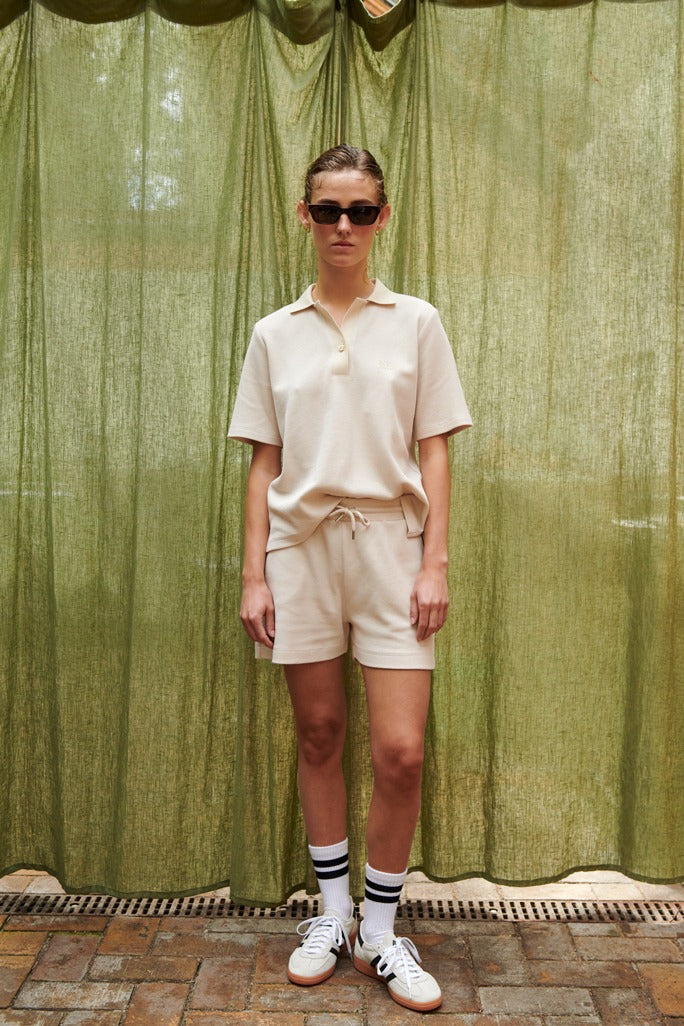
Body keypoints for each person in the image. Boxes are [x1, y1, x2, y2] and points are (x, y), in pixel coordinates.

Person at [228, 144, 471, 1013]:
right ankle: (331, 915)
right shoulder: (274, 332)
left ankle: (380, 928)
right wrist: (253, 575)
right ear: (305, 215)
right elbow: (263, 463)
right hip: (300, 550)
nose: (343, 225)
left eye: (359, 210)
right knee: (320, 732)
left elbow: (435, 450)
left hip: (391, 549)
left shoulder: (417, 322)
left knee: (401, 751)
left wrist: (434, 560)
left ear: (381, 218)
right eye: (327, 209)